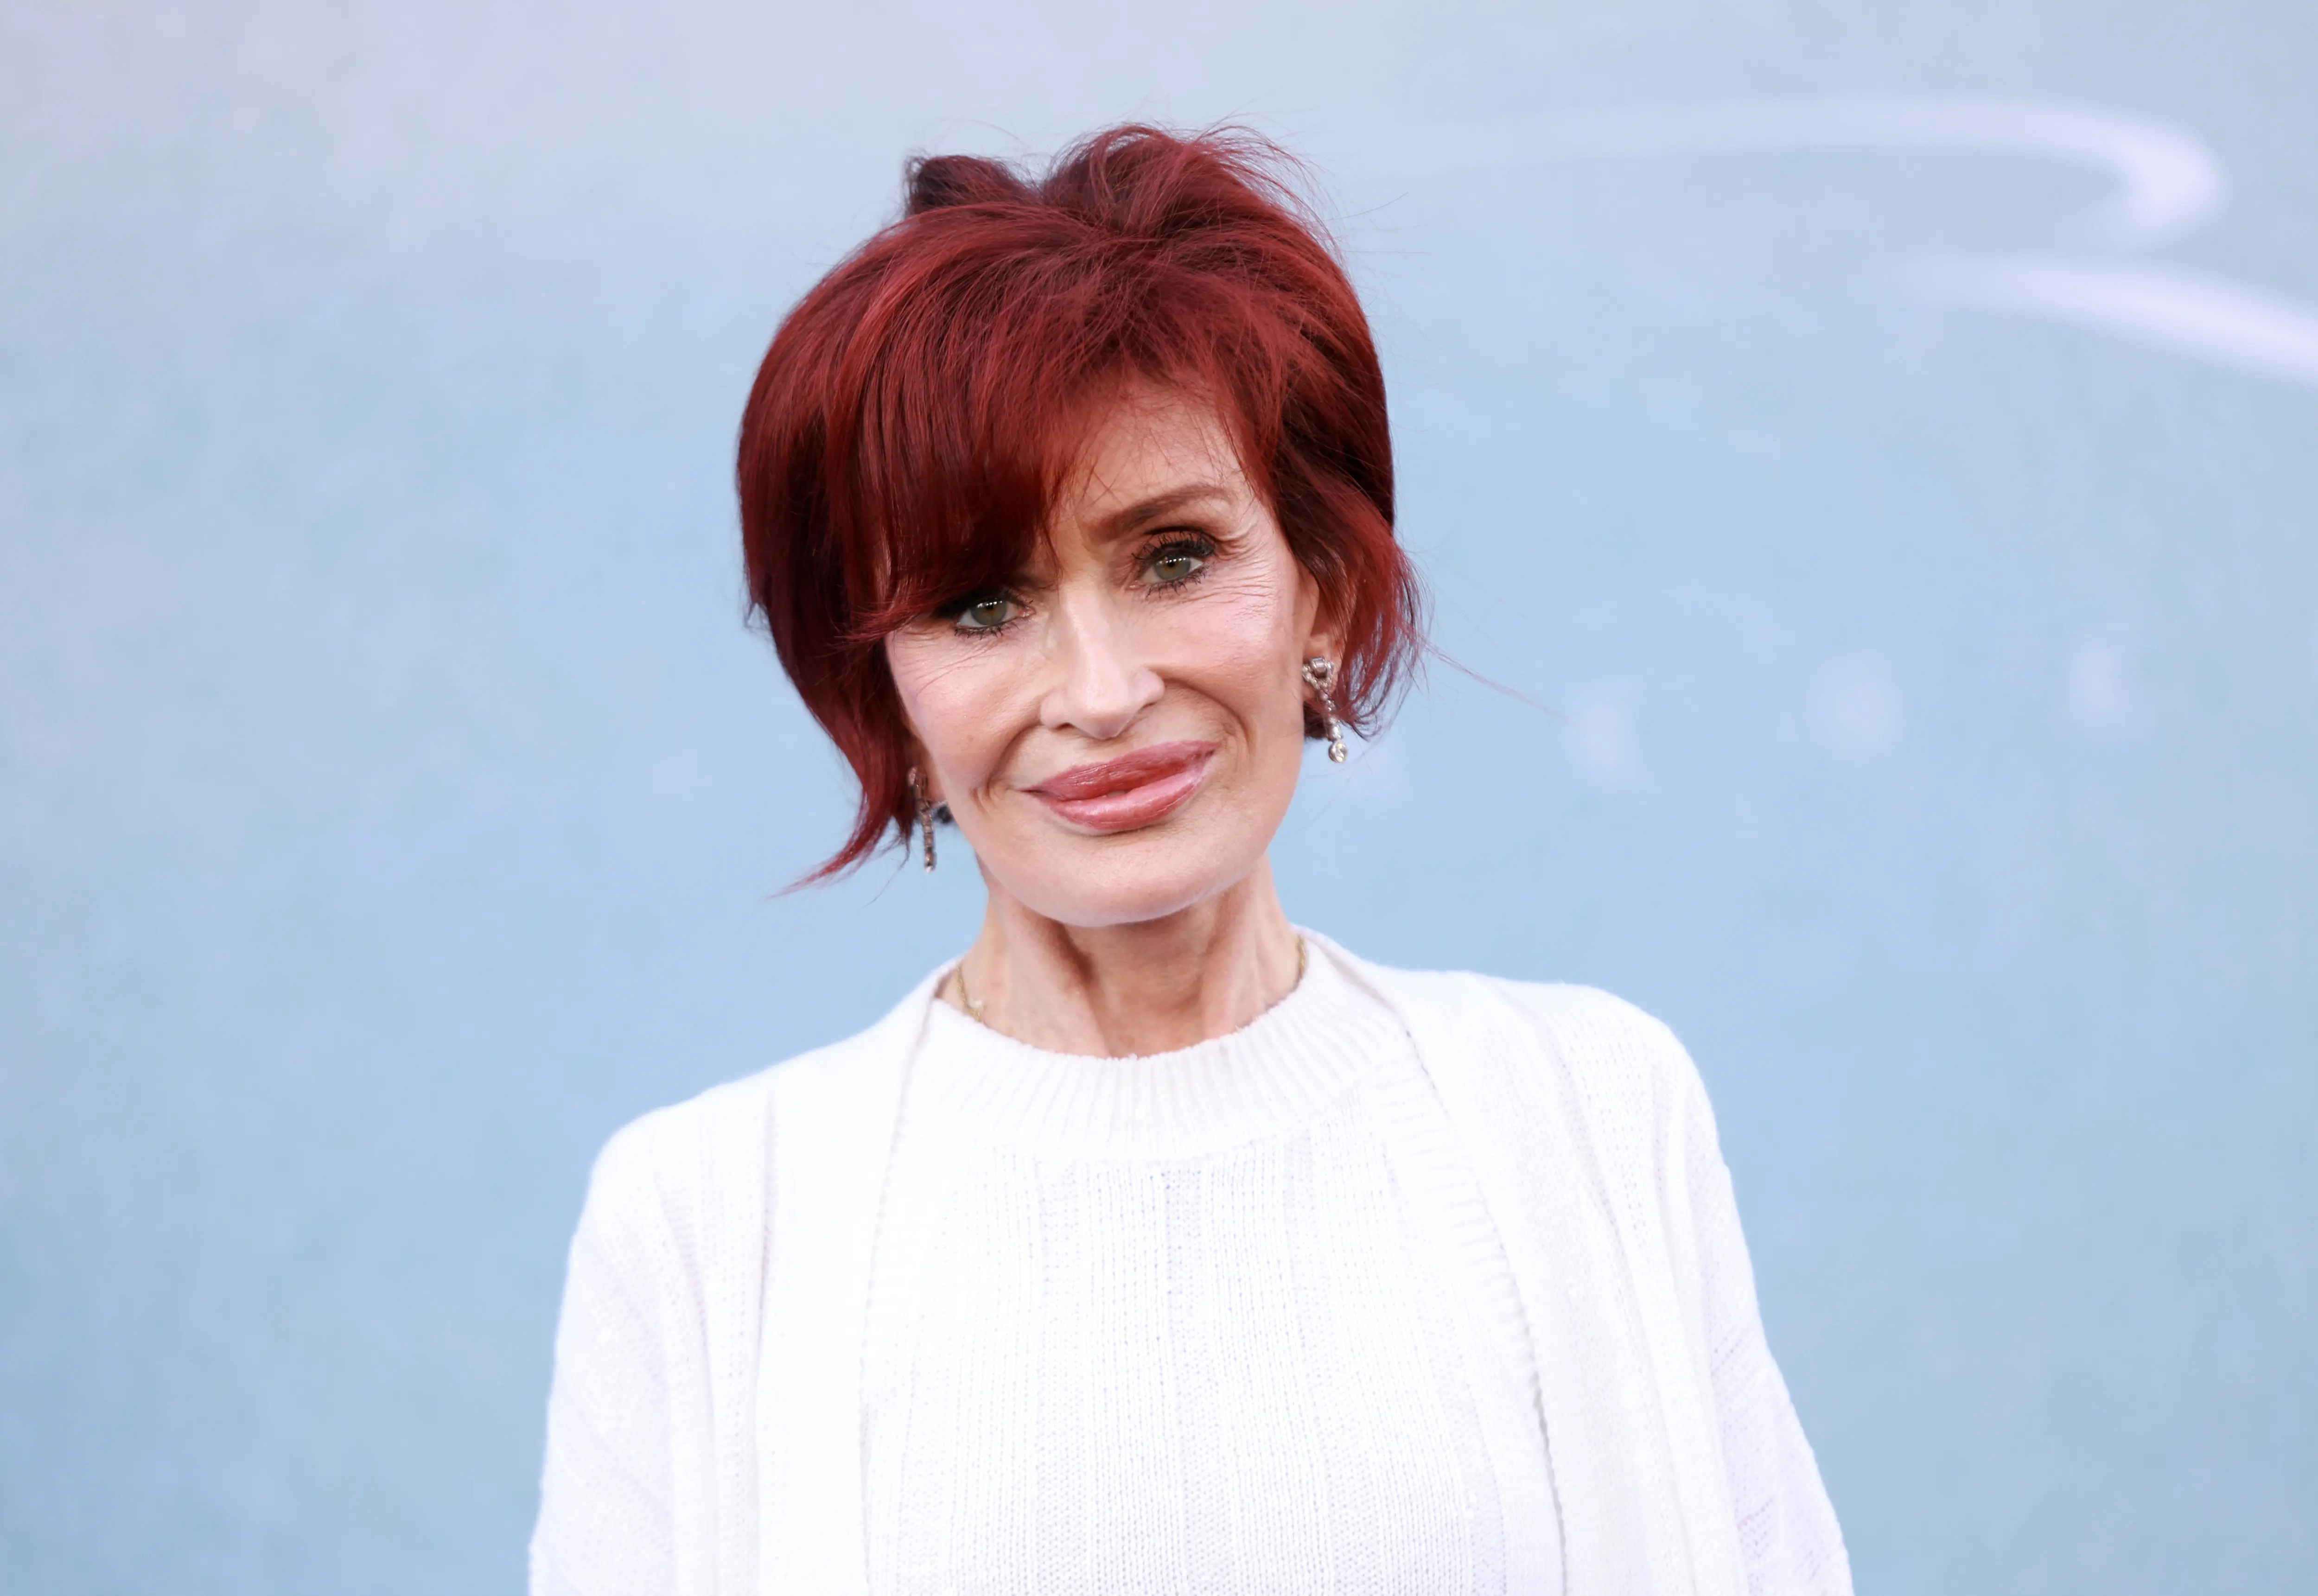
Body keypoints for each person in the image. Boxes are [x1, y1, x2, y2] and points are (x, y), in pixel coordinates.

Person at [530, 124, 1850, 1596]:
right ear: (883, 695)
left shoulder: (1589, 1114)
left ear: (1323, 591)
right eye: (980, 606)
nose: (1101, 693)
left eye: (1174, 557)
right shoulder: (710, 1222)